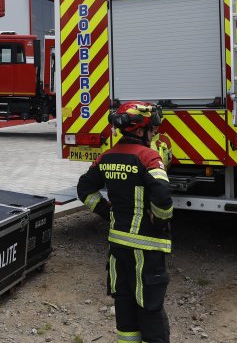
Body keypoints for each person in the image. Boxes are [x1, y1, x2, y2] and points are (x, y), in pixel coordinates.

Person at [77, 101, 174, 343]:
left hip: (117, 247)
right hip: (147, 248)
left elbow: (84, 189)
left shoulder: (107, 157)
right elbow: (162, 197)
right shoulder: (149, 158)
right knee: (150, 308)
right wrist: (160, 223)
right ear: (141, 131)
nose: (155, 133)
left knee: (125, 307)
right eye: (153, 129)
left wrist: (106, 212)